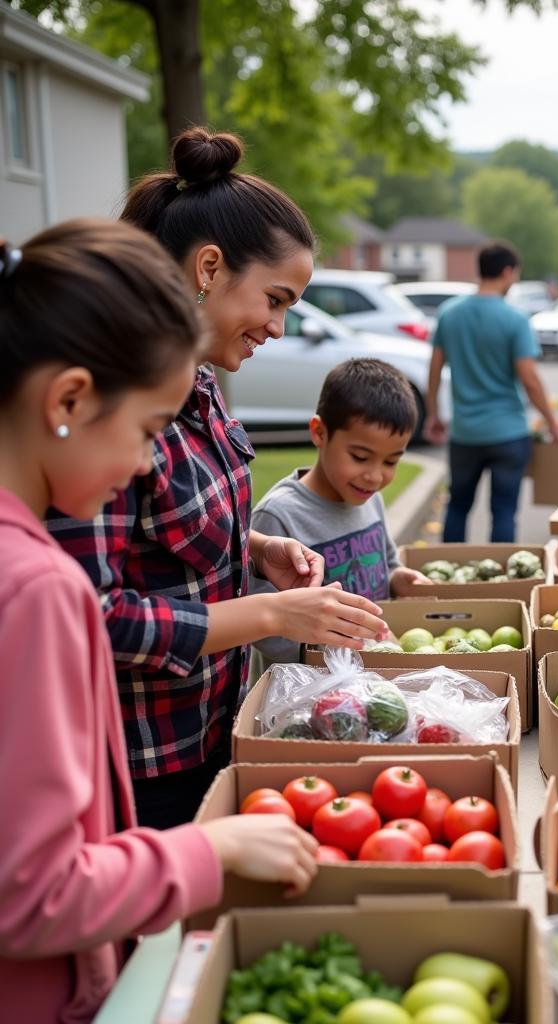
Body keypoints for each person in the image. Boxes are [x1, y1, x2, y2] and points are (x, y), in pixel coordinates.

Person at [0, 220, 318, 1024]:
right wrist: (208, 848)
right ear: (69, 399)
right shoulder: (37, 588)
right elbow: (32, 893)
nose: (149, 464)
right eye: (145, 432)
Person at [48, 128, 388, 830]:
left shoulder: (198, 380)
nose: (278, 325)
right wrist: (270, 614)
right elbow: (92, 616)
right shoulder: (115, 405)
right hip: (143, 764)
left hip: (214, 726)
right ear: (208, 268)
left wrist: (260, 549)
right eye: (276, 298)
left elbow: (174, 535)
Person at [250, 358, 430, 664]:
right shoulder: (279, 514)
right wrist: (333, 655)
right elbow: (262, 625)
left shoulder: (369, 497)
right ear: (320, 433)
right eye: (360, 457)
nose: (375, 476)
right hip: (311, 683)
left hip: (374, 669)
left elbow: (386, 565)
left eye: (390, 462)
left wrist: (398, 578)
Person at [425, 241, 558, 541]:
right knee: (503, 512)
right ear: (508, 272)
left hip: (465, 433)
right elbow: (530, 379)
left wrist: (433, 414)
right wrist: (552, 422)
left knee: (458, 507)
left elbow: (434, 371)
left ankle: (450, 578)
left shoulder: (449, 314)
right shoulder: (515, 319)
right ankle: (502, 583)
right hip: (508, 433)